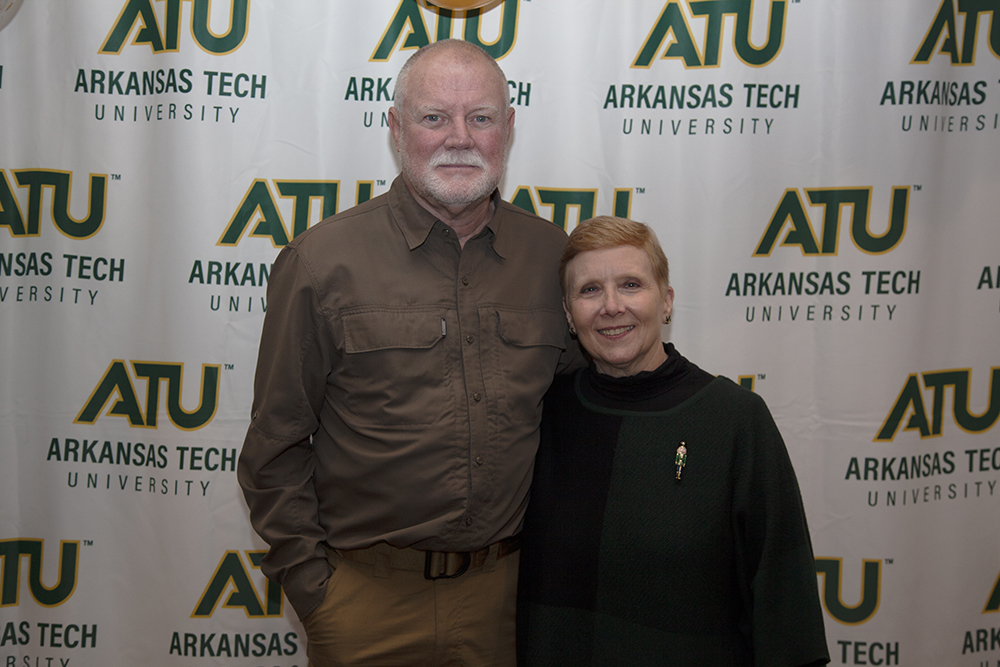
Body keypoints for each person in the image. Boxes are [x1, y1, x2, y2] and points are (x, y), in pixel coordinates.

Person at [237, 39, 578, 666]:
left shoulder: (553, 257)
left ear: (508, 128)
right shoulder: (321, 263)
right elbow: (274, 448)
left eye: (481, 117)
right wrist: (318, 594)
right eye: (434, 117)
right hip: (365, 605)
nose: (459, 138)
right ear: (396, 129)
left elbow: (585, 417)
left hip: (511, 603)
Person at [516, 216, 830, 666]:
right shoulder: (543, 412)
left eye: (630, 285)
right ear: (568, 313)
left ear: (666, 301)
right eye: (589, 290)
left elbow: (784, 600)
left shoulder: (733, 419)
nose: (611, 306)